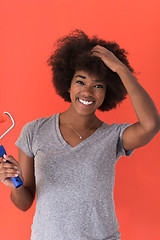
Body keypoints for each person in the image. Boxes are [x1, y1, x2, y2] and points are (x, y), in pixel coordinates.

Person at [0, 30, 160, 240]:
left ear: (108, 91)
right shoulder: (34, 131)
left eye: (98, 85)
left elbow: (151, 125)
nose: (87, 92)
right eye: (80, 81)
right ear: (68, 84)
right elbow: (24, 203)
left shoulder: (113, 136)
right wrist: (14, 184)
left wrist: (120, 69)